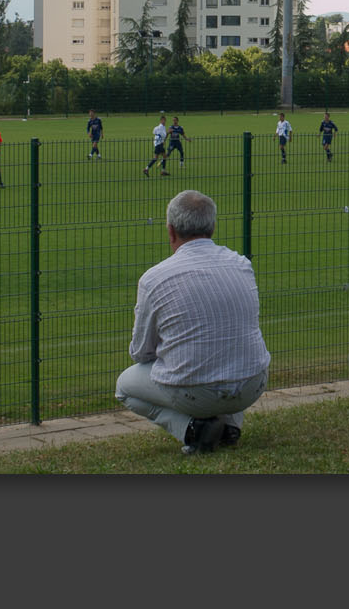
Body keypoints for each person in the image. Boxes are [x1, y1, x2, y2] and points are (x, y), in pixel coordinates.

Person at [114, 190, 270, 454]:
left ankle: (192, 429)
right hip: (251, 385)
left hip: (194, 394)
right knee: (231, 345)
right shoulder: (242, 264)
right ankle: (229, 426)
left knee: (124, 387)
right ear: (213, 227)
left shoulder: (154, 279)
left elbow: (140, 353)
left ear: (171, 231)